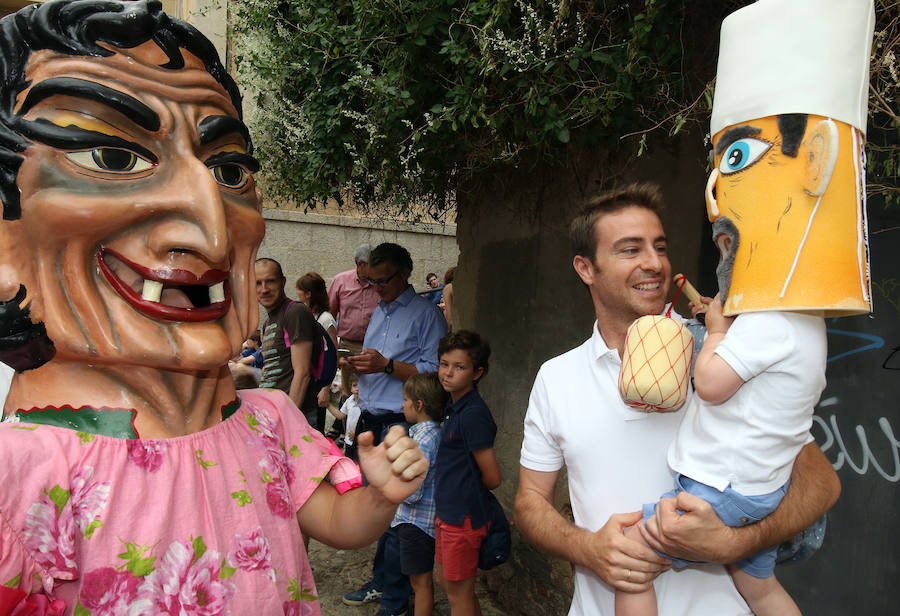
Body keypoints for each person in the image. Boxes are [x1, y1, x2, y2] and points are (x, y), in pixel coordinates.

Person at [0, 2, 428, 614]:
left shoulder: (269, 419)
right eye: (114, 158)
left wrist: (381, 495)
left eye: (228, 170)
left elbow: (336, 521)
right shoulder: (18, 475)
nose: (213, 234)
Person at [514, 183, 841, 615]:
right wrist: (589, 548)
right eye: (630, 250)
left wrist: (734, 542)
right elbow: (529, 502)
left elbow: (821, 485)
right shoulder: (556, 378)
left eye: (660, 247)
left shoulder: (724, 361)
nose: (654, 263)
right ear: (586, 268)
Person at [342, 242, 447, 616]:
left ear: (405, 274)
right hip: (373, 419)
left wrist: (387, 366)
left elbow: (435, 375)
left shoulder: (426, 316)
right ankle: (385, 583)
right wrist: (358, 367)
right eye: (371, 281)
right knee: (380, 510)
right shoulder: (380, 312)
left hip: (401, 424)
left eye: (383, 281)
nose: (377, 288)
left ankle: (396, 598)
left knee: (398, 515)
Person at [433, 330, 501, 616]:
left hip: (463, 519)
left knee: (457, 594)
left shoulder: (473, 414)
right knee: (448, 583)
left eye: (459, 367)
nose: (448, 373)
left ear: (477, 373)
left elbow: (493, 477)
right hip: (449, 513)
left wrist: (465, 494)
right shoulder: (455, 406)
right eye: (444, 364)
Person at [393, 372, 445, 616]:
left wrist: (391, 487)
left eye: (405, 400)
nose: (402, 404)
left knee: (420, 584)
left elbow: (412, 491)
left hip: (416, 524)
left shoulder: (422, 440)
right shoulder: (435, 433)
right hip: (425, 523)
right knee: (421, 582)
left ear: (419, 404)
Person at [256, 258, 326, 433]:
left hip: (294, 417)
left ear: (283, 282)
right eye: (258, 283)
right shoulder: (268, 322)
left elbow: (302, 373)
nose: (264, 289)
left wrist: (287, 420)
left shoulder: (295, 312)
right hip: (273, 415)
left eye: (270, 281)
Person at [329, 244, 381, 398]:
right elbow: (330, 315)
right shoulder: (340, 281)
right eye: (373, 265)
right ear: (360, 264)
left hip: (375, 347)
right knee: (349, 394)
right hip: (348, 346)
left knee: (372, 392)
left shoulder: (381, 284)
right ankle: (347, 421)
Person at [297, 271, 340, 433]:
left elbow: (332, 356)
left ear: (308, 294)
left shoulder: (326, 319)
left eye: (300, 289)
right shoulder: (308, 316)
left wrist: (325, 389)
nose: (297, 293)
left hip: (317, 386)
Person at [328, 374, 362, 460]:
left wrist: (358, 432)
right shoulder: (349, 400)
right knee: (349, 461)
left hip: (359, 440)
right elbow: (340, 415)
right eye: (355, 385)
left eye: (360, 385)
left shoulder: (365, 403)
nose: (357, 388)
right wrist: (327, 404)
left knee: (357, 461)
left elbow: (366, 421)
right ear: (350, 388)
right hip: (348, 440)